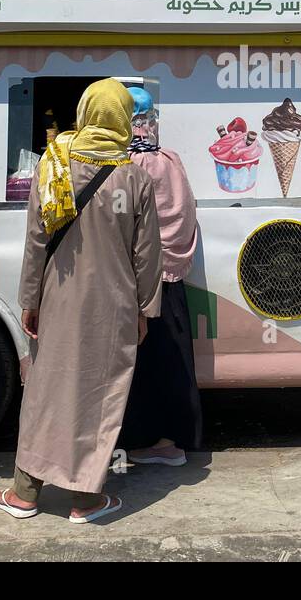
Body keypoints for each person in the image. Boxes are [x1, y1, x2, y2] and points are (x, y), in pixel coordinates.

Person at [0, 79, 162, 523]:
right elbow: (147, 255)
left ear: (86, 112)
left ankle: (25, 494)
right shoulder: (136, 177)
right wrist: (146, 309)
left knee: (46, 389)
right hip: (115, 303)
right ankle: (85, 500)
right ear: (124, 118)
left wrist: (30, 298)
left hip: (57, 296)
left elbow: (36, 239)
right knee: (100, 392)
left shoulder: (53, 166)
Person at [118, 86, 202, 466]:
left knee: (143, 365)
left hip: (142, 279)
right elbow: (185, 215)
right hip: (173, 274)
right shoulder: (170, 158)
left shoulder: (126, 164)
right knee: (173, 361)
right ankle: (174, 441)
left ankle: (152, 443)